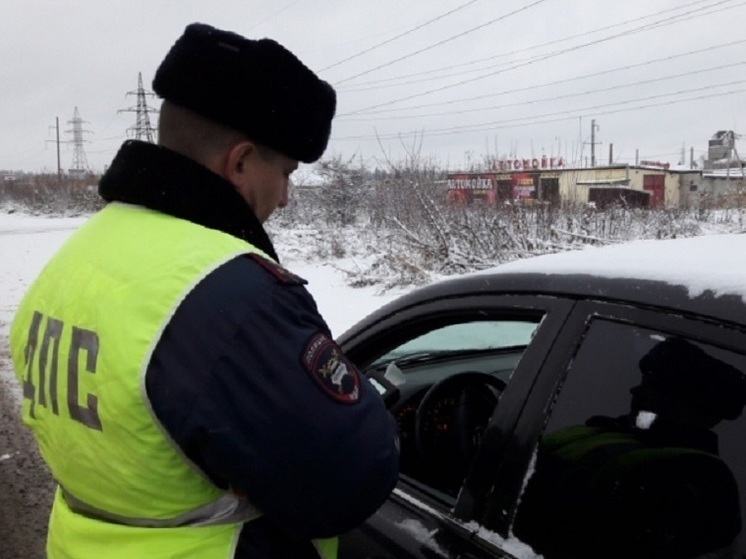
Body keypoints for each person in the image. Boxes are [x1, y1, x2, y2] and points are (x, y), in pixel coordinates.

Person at [9, 23, 399, 559]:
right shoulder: (232, 296)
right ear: (239, 163)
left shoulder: (76, 260)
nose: (285, 197)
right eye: (284, 172)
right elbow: (342, 482)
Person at [512, 337, 746, 559]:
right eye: (645, 380)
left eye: (653, 386)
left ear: (690, 407)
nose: (635, 391)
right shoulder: (615, 434)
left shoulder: (693, 479)